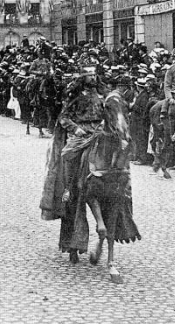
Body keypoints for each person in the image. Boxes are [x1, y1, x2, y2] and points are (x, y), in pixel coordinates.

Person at [57, 66, 105, 263]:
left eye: (94, 75)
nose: (92, 78)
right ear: (83, 78)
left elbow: (107, 112)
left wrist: (105, 123)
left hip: (98, 130)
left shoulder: (100, 94)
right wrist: (75, 129)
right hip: (81, 134)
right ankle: (69, 186)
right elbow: (63, 117)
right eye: (89, 75)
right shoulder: (74, 95)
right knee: (68, 154)